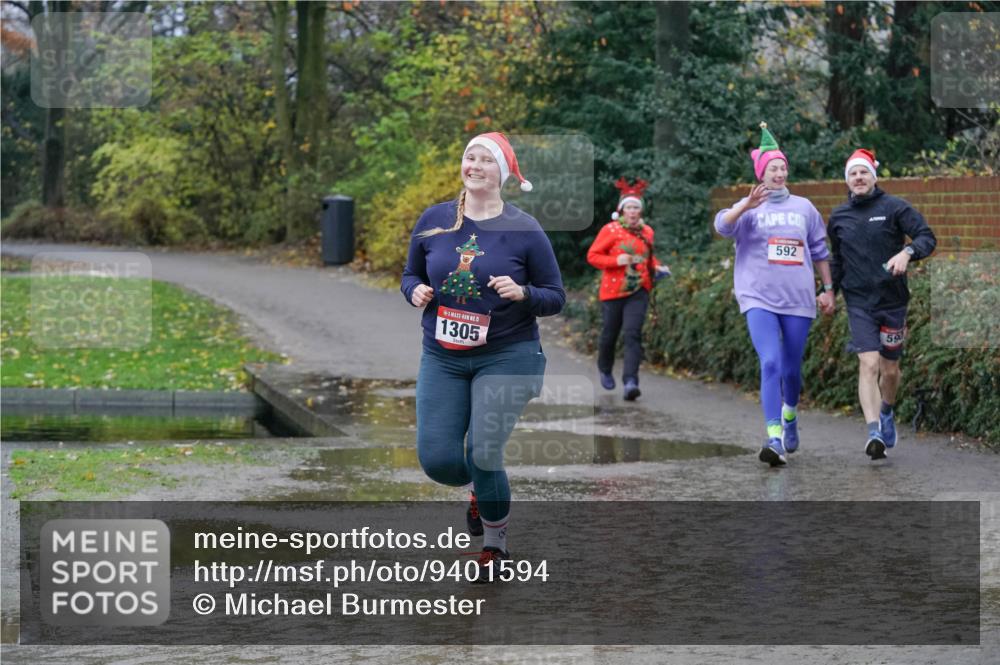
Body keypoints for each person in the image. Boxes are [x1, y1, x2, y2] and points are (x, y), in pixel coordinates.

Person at [400, 131, 565, 578]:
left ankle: (495, 544)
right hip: (443, 356)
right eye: (469, 157)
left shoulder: (524, 229)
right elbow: (409, 273)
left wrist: (523, 292)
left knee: (485, 450)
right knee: (439, 461)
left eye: (485, 160)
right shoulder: (435, 220)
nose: (474, 165)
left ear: (502, 174)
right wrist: (414, 290)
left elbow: (555, 296)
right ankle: (478, 488)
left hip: (507, 355)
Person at [714, 122, 835, 467]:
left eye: (782, 167)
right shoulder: (749, 207)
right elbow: (722, 226)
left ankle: (791, 415)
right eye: (772, 168)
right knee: (770, 362)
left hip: (798, 298)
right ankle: (774, 437)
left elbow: (820, 251)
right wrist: (745, 206)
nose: (778, 173)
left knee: (792, 371)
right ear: (761, 174)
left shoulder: (805, 208)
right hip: (757, 297)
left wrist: (827, 290)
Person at [826, 149, 936, 461]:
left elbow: (927, 237)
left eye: (863, 173)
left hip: (893, 302)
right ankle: (873, 431)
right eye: (852, 174)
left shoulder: (895, 207)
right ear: (847, 180)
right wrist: (828, 290)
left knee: (890, 370)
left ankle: (886, 411)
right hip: (859, 302)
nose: (858, 178)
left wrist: (907, 253)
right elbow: (837, 260)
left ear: (874, 176)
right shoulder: (839, 217)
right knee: (868, 364)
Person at [586, 178, 671, 401]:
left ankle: (631, 382)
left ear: (641, 211)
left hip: (639, 289)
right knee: (610, 335)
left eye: (636, 207)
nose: (633, 211)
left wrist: (657, 267)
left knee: (633, 334)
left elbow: (646, 259)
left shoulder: (647, 231)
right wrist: (617, 260)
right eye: (629, 207)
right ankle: (605, 368)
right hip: (613, 291)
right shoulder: (610, 230)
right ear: (621, 210)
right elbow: (592, 256)